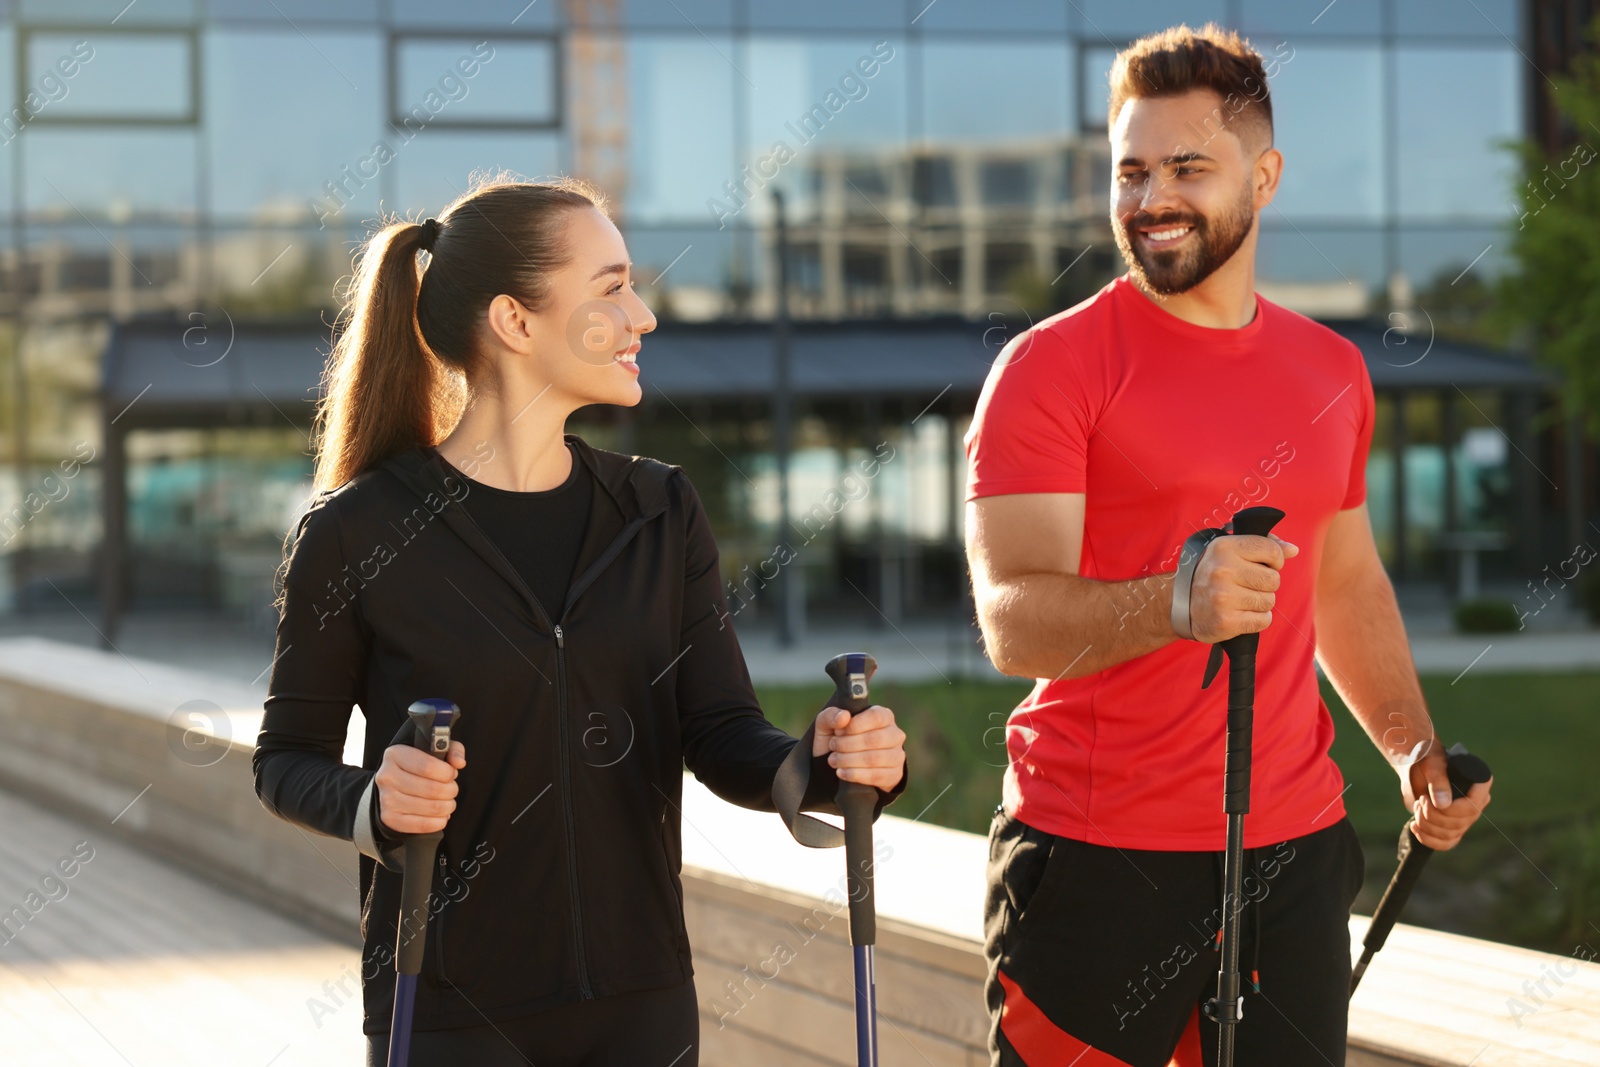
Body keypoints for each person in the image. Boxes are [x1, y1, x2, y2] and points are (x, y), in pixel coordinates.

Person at [252, 174, 909, 1067]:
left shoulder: (659, 509)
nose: (641, 316)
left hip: (642, 1004)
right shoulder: (355, 533)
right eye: (612, 288)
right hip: (446, 1009)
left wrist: (824, 763)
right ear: (515, 322)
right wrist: (374, 802)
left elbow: (717, 729)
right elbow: (286, 760)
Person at [963, 25, 1492, 1067]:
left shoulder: (1331, 369)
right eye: (1131, 170)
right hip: (1092, 860)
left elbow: (1342, 580)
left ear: (1265, 175)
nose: (1150, 196)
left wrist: (1411, 747)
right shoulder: (1050, 367)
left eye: (1186, 168)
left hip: (1288, 856)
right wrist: (1172, 600)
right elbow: (1010, 618)